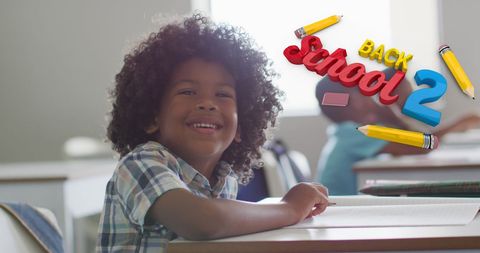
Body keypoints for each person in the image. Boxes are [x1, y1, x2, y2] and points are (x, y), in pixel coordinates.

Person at [96, 14, 330, 252]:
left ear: (240, 127)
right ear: (152, 117)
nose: (207, 103)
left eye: (223, 95)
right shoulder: (140, 164)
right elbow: (202, 221)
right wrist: (289, 208)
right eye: (188, 92)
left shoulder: (224, 180)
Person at [315, 68, 480, 195]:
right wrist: (459, 123)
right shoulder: (355, 132)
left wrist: (389, 115)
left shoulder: (345, 132)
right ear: (354, 101)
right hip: (340, 211)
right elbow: (422, 145)